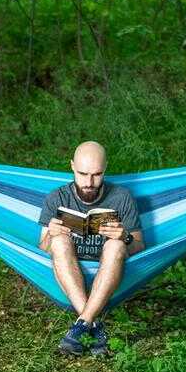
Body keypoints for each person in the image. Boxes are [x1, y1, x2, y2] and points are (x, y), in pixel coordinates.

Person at [38, 141, 144, 356]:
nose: (89, 182)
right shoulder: (57, 198)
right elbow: (43, 247)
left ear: (105, 168)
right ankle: (93, 325)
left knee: (116, 245)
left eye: (96, 175)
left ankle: (82, 325)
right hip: (69, 265)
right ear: (72, 166)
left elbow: (139, 245)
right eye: (83, 174)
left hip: (110, 266)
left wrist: (124, 237)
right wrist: (51, 234)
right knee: (58, 241)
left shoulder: (122, 197)